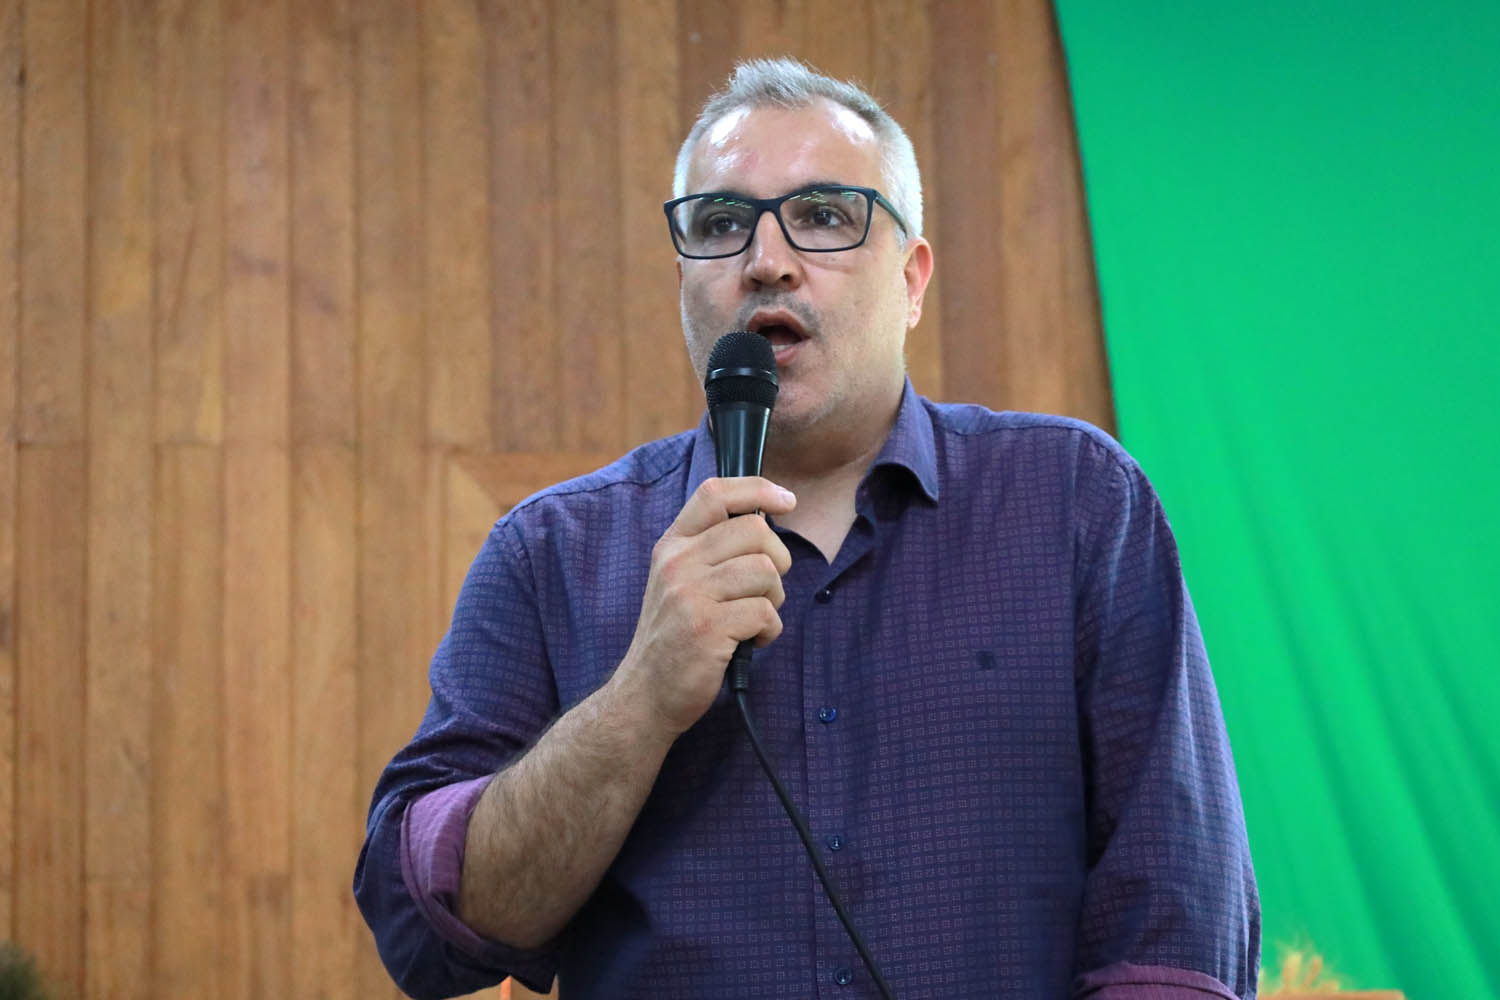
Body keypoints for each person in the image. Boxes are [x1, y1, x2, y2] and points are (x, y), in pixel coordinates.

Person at [354, 57, 1260, 999]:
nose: (766, 260)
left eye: (825, 215)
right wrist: (639, 700)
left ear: (912, 279)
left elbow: (1178, 920)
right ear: (683, 280)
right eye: (720, 224)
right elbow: (425, 930)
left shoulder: (1076, 502)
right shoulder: (550, 553)